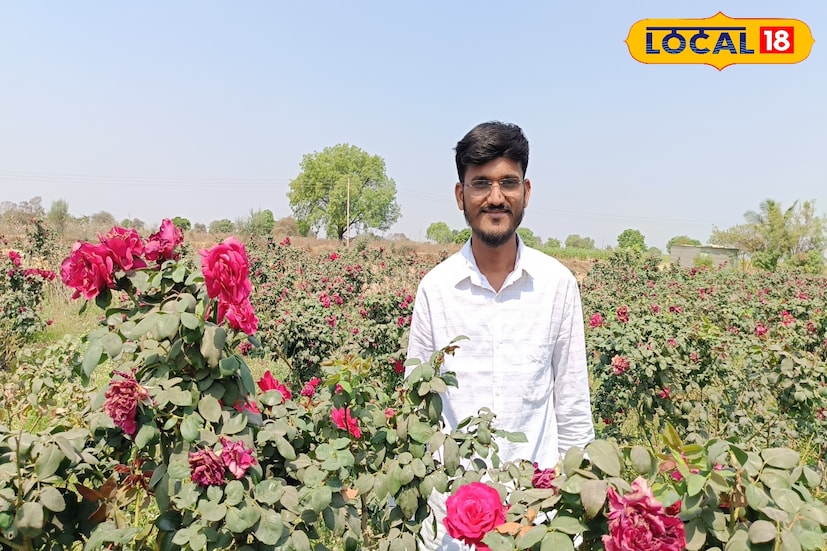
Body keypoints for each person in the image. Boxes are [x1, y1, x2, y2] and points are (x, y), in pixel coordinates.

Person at [406, 121, 595, 550]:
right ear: (461, 196)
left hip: (537, 513)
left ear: (526, 191)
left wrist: (575, 505)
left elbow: (572, 402)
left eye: (508, 182)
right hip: (449, 520)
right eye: (481, 184)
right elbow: (416, 404)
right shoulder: (436, 290)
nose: (495, 197)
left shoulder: (557, 284)